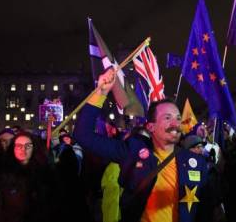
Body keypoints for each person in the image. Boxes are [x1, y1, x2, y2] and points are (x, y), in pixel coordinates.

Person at [74, 67, 216, 222]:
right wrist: (101, 93)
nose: (175, 123)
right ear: (150, 127)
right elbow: (83, 135)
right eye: (167, 118)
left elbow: (206, 211)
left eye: (177, 117)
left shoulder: (196, 163)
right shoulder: (132, 152)